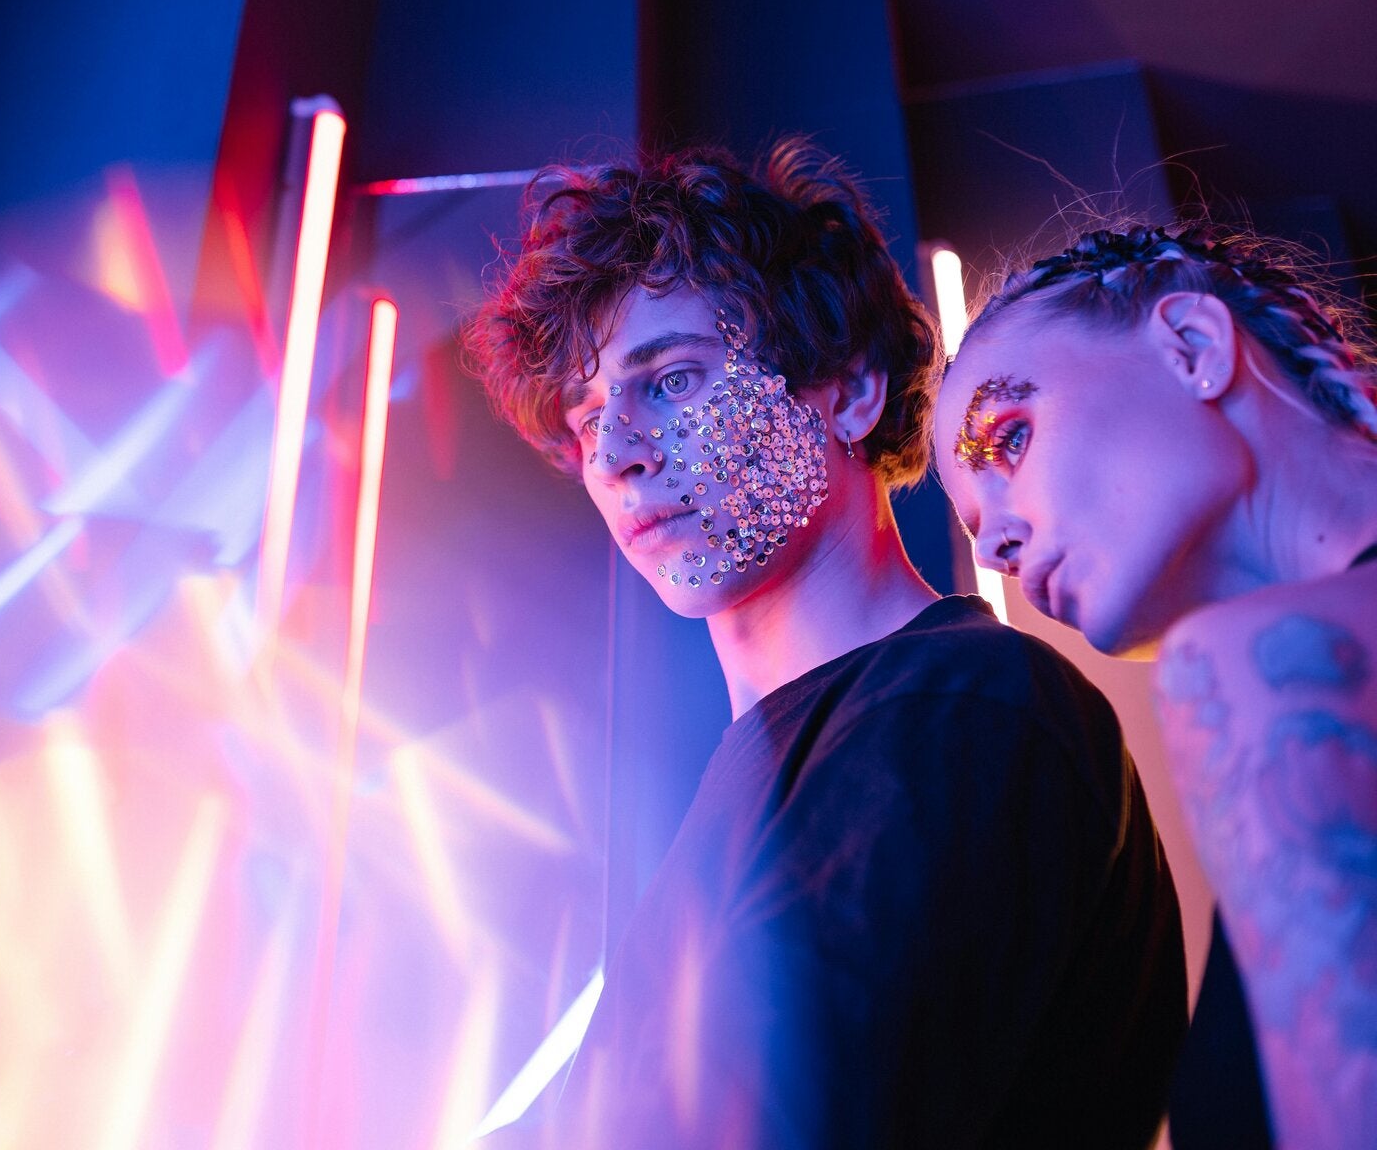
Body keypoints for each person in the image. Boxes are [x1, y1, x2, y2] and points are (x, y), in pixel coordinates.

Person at [462, 142, 1186, 1147]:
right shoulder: (771, 772)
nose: (617, 453)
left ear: (847, 390)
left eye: (670, 380)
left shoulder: (963, 705)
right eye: (588, 421)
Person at [930, 223, 1377, 1149]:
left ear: (1194, 347)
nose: (994, 547)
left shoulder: (1259, 667)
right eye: (973, 524)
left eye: (1009, 440)